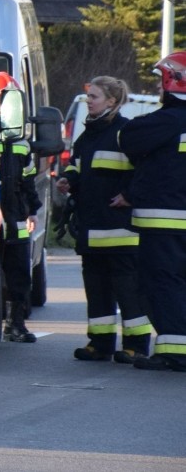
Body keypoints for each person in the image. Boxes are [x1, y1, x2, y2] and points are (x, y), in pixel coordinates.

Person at [56, 77, 151, 363]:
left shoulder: (126, 133)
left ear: (111, 101)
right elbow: (77, 164)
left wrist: (130, 196)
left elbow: (147, 171)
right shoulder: (87, 136)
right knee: (96, 289)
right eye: (88, 97)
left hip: (121, 232)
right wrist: (68, 179)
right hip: (91, 229)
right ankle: (100, 344)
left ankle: (136, 346)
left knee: (129, 292)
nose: (89, 102)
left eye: (94, 97)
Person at [118, 51, 186, 372]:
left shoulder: (169, 120)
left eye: (161, 80)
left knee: (161, 282)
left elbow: (128, 136)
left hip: (165, 221)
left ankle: (173, 350)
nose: (158, 88)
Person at [0, 72, 40, 343]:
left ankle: (16, 323)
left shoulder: (20, 144)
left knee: (18, 271)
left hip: (15, 215)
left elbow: (28, 181)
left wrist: (33, 210)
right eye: (2, 99)